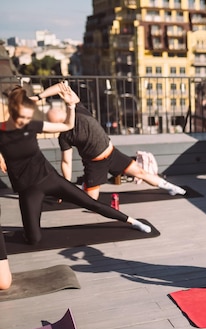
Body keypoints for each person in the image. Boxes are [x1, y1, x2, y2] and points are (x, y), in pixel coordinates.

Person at [0, 85, 152, 245]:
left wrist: (71, 106)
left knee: (91, 203)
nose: (25, 122)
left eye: (28, 118)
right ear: (11, 111)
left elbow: (67, 126)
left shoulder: (31, 125)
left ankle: (132, 221)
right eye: (22, 118)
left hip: (49, 178)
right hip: (27, 188)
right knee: (34, 239)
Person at [39, 82, 186, 200]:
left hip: (112, 154)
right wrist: (66, 186)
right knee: (91, 200)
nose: (65, 113)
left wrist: (39, 96)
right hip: (95, 164)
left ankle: (171, 188)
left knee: (140, 172)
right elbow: (66, 162)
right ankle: (80, 189)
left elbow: (62, 86)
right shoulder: (64, 136)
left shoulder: (78, 109)